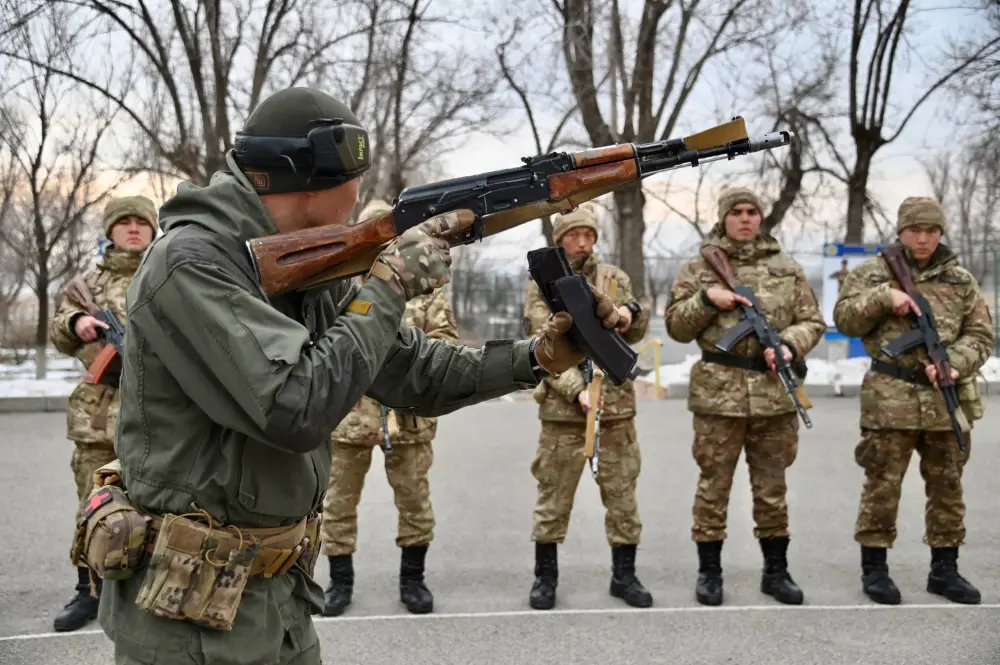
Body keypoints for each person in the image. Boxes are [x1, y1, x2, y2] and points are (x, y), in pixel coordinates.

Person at [97, 87, 622, 665]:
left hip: (275, 596)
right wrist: (388, 286)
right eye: (355, 178)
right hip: (191, 619)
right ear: (312, 180)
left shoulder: (299, 269)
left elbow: (413, 371)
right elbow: (295, 408)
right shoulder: (191, 264)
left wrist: (537, 358)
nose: (360, 195)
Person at [664, 187, 825, 607]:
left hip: (773, 395)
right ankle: (709, 572)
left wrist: (788, 344)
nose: (745, 218)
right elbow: (676, 327)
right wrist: (706, 300)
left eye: (752, 211)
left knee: (772, 488)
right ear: (723, 218)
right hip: (718, 397)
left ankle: (776, 571)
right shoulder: (699, 268)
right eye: (736, 212)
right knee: (713, 488)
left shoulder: (786, 268)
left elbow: (812, 321)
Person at [832, 196, 993, 606]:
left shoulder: (960, 280)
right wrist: (883, 298)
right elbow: (845, 319)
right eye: (915, 230)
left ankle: (945, 570)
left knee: (948, 486)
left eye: (931, 231)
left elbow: (980, 335)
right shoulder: (873, 273)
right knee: (882, 485)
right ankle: (875, 569)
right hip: (890, 398)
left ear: (941, 233)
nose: (923, 238)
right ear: (901, 231)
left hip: (944, 399)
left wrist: (954, 364)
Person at [320, 198, 459, 617]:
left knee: (414, 500)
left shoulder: (425, 285)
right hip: (350, 415)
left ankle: (412, 580)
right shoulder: (342, 286)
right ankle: (340, 582)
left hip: (409, 414)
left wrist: (405, 357)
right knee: (337, 503)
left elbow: (446, 343)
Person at [521, 204, 653, 611]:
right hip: (563, 413)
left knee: (622, 495)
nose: (582, 242)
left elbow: (637, 323)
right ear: (559, 239)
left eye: (588, 235)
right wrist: (577, 389)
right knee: (553, 496)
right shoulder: (542, 286)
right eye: (573, 235)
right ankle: (545, 578)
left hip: (615, 409)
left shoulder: (614, 278)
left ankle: (624, 575)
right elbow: (541, 346)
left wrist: (629, 314)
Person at [47, 195, 158, 632]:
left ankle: (147, 590)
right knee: (92, 505)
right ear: (110, 230)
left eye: (141, 222)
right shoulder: (88, 284)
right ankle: (88, 591)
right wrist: (77, 323)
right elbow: (60, 330)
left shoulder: (166, 274)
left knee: (156, 506)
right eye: (123, 222)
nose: (133, 228)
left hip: (154, 412)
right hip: (97, 415)